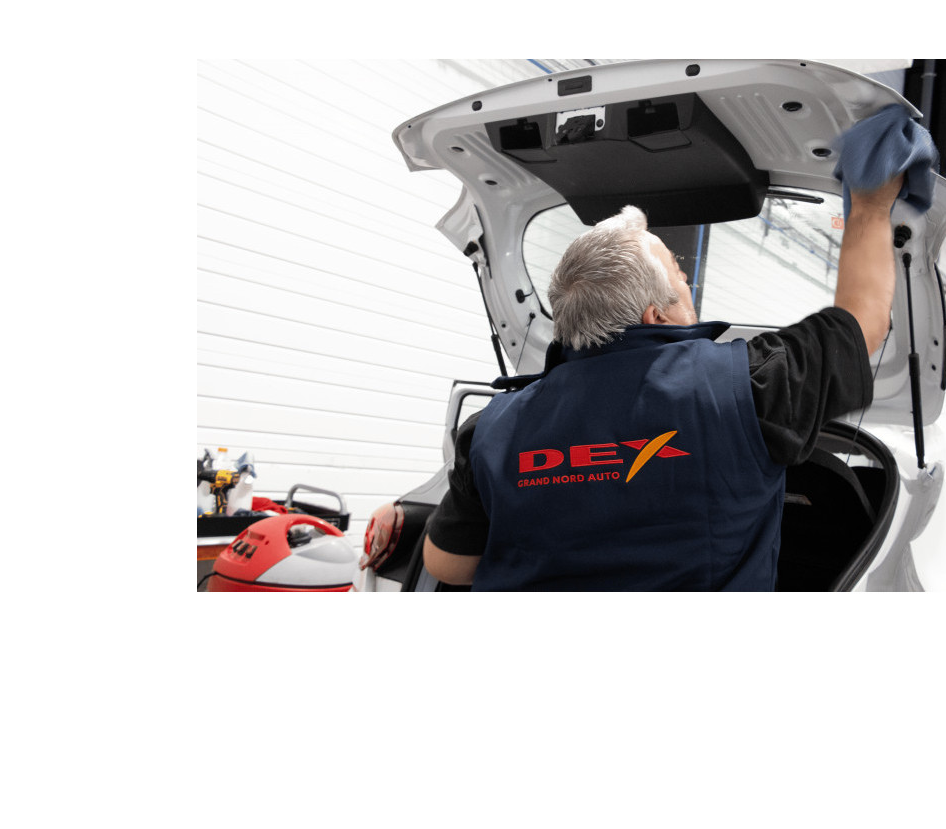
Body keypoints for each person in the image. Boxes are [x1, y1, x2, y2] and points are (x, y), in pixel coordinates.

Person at [359, 171, 905, 590]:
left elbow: (449, 565)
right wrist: (873, 202)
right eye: (682, 280)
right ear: (655, 314)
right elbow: (863, 322)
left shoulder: (490, 429)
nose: (689, 289)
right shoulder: (751, 386)